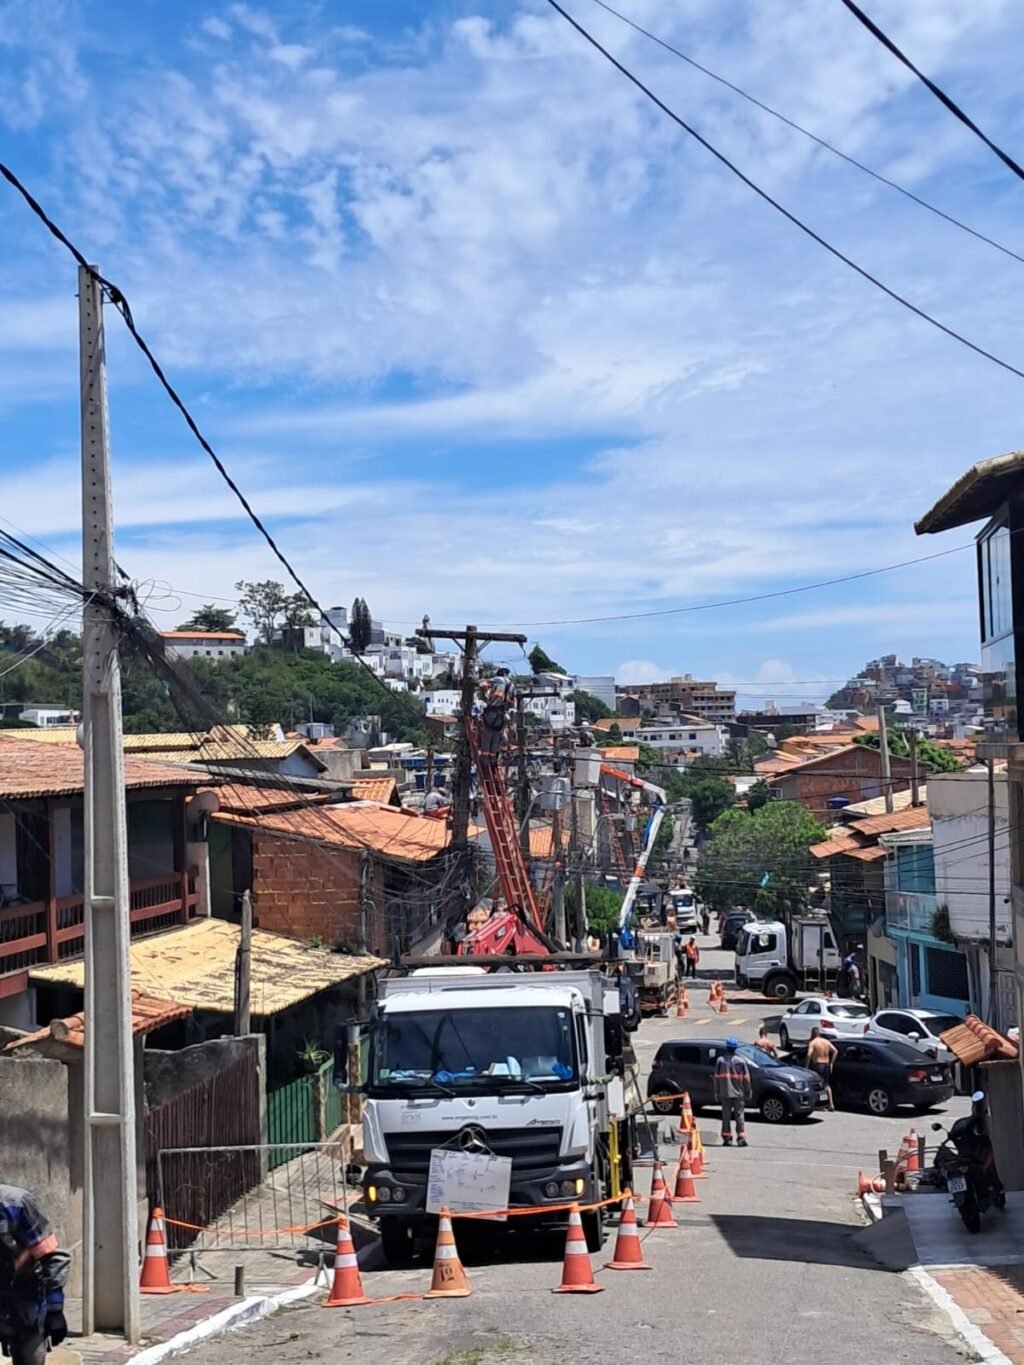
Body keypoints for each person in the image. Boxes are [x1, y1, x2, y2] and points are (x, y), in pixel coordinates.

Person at [0, 1184, 70, 1365]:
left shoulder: (16, 1203)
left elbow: (52, 1256)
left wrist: (55, 1310)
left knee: (30, 1357)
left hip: (23, 1299)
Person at [713, 1037, 752, 1147]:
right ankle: (741, 1138)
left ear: (727, 1048)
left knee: (726, 1116)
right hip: (738, 1093)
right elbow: (746, 1078)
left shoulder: (720, 1061)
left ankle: (727, 1138)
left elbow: (716, 1078)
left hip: (725, 1093)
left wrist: (716, 1092)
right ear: (735, 1049)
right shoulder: (740, 1061)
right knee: (739, 1115)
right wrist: (748, 1091)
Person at [478, 668, 516, 760]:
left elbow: (482, 684)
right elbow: (513, 702)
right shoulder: (511, 685)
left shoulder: (497, 680)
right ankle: (492, 758)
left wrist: (481, 680)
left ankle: (485, 758)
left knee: (487, 734)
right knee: (496, 735)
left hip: (492, 711)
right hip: (503, 714)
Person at [805, 1026, 838, 1112]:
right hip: (826, 1064)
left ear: (812, 1034)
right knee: (826, 1085)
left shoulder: (813, 1043)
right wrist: (831, 1063)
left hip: (818, 1065)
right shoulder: (826, 1042)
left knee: (816, 1085)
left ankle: (818, 1104)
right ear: (819, 1033)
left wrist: (806, 1066)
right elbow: (835, 1051)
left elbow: (809, 1054)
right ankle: (831, 1104)